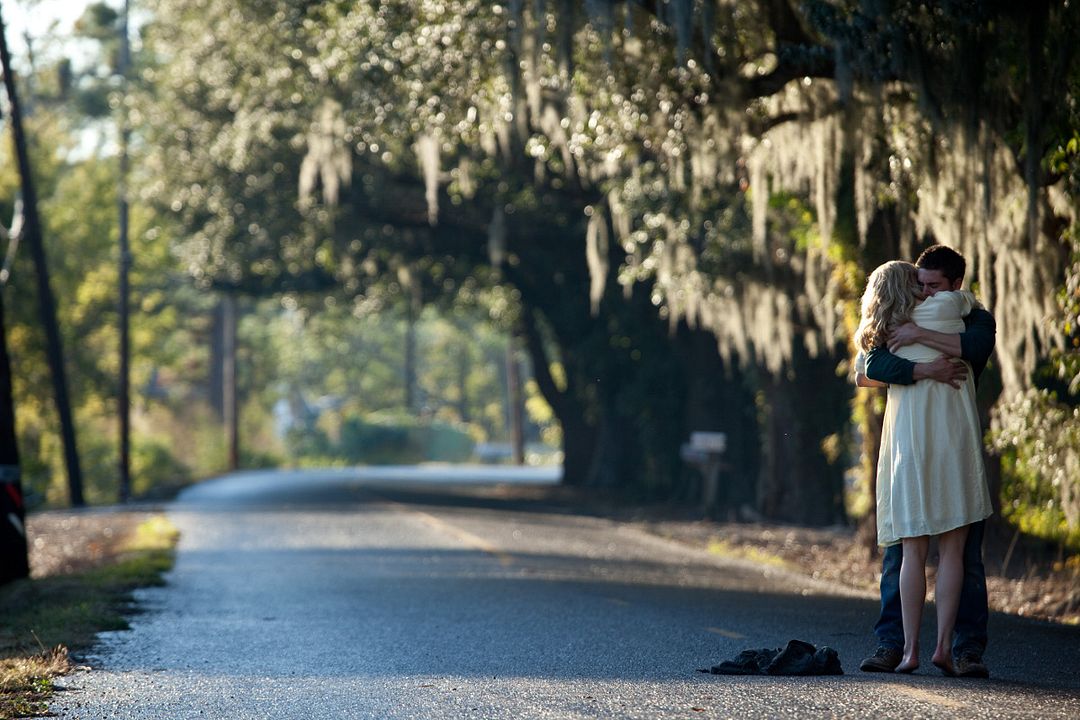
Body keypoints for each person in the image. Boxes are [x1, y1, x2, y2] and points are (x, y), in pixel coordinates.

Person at [856, 245, 996, 678]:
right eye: (919, 284)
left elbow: (973, 346)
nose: (924, 292)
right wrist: (924, 370)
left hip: (935, 438)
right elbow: (867, 370)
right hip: (938, 437)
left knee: (959, 555)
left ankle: (963, 648)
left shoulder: (973, 316)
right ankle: (894, 644)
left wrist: (918, 341)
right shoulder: (909, 314)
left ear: (956, 284)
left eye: (933, 286)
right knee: (907, 551)